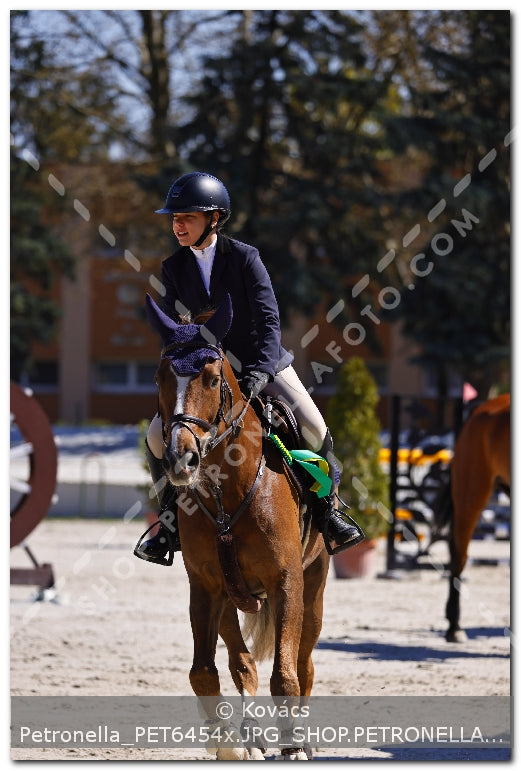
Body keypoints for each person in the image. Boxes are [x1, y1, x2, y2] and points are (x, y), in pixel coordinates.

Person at [135, 171, 364, 565]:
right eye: (174, 218)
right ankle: (168, 524)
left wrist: (259, 371)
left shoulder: (244, 258)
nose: (177, 225)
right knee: (158, 438)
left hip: (262, 363)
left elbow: (268, 320)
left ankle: (330, 517)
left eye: (186, 217)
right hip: (206, 373)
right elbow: (176, 332)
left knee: (315, 428)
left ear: (213, 218)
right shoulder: (173, 268)